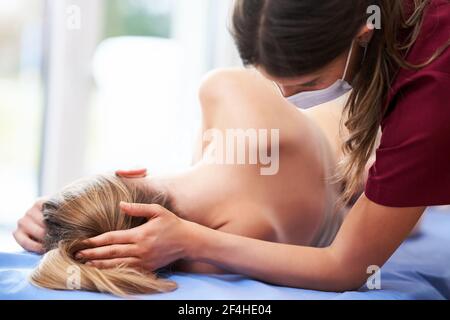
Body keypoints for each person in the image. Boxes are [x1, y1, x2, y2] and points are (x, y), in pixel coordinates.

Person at [17, 0, 450, 292]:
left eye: (308, 83)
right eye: (271, 78)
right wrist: (65, 212)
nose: (284, 95)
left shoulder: (223, 246)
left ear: (362, 30)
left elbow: (348, 267)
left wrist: (189, 240)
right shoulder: (223, 89)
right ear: (130, 171)